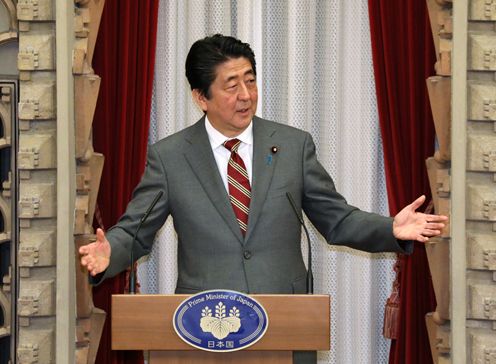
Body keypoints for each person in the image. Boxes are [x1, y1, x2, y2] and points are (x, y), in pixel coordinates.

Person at [79, 34, 447, 363]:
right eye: (231, 85)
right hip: (202, 330)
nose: (245, 95)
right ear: (200, 97)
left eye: (251, 81)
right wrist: (110, 250)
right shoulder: (171, 157)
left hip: (285, 325)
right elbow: (136, 230)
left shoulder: (292, 146)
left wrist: (392, 229)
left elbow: (337, 220)